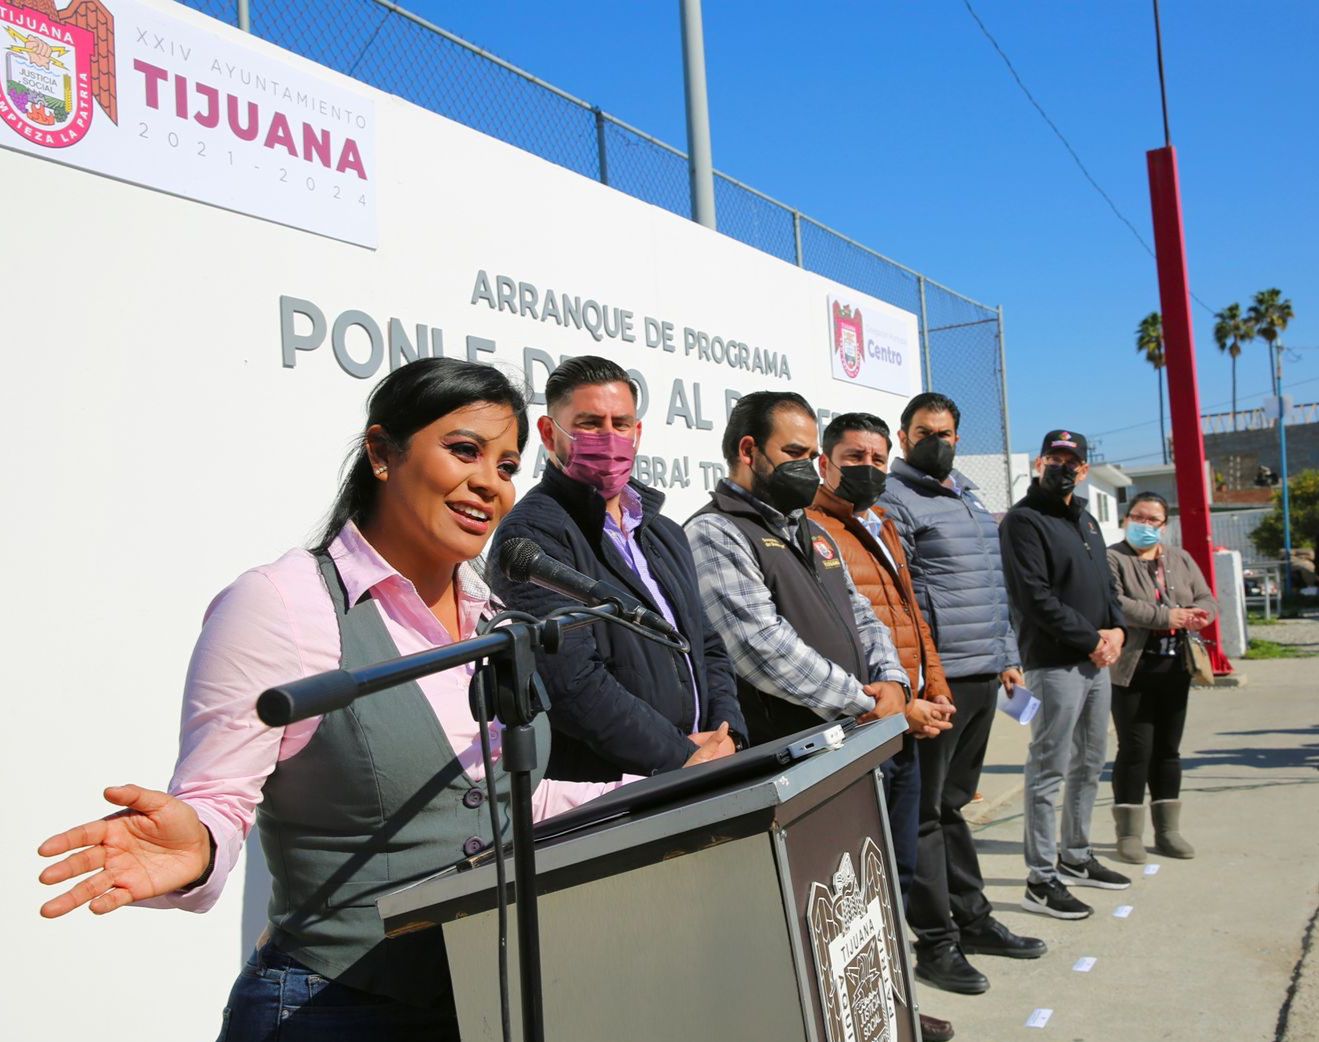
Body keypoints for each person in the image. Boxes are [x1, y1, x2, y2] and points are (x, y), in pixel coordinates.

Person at [35, 358, 732, 1041]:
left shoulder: (492, 615)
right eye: (464, 451)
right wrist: (197, 845)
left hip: (482, 1000)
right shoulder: (282, 603)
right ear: (380, 452)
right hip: (330, 1008)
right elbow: (218, 796)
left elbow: (498, 801)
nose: (487, 483)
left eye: (506, 466)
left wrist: (661, 788)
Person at [490, 355, 747, 781]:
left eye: (621, 424)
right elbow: (572, 682)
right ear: (549, 433)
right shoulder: (534, 533)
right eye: (590, 423)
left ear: (637, 432)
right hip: (617, 791)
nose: (609, 438)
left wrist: (729, 735)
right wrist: (680, 755)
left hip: (704, 769)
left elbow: (707, 645)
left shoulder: (664, 531)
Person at [880, 392, 1044, 996]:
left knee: (953, 806)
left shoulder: (969, 495)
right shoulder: (894, 498)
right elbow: (905, 599)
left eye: (946, 431)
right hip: (938, 681)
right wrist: (922, 676)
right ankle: (936, 942)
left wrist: (1007, 657)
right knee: (925, 813)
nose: (937, 441)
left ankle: (972, 920)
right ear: (904, 437)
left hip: (983, 676)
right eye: (925, 432)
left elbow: (992, 584)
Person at [804, 410, 959, 1042]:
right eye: (853, 458)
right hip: (868, 724)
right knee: (863, 880)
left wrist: (935, 686)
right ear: (824, 462)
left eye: (875, 458)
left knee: (898, 870)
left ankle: (897, 1002)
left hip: (911, 713)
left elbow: (909, 617)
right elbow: (846, 631)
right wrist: (900, 706)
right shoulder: (812, 528)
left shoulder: (882, 522)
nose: (867, 469)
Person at [999, 428, 1129, 921]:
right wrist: (1092, 639)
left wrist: (1116, 630)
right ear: (1039, 463)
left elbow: (1105, 587)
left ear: (1084, 469)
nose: (1062, 466)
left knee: (1091, 760)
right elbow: (1034, 598)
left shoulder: (1087, 521)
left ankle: (1076, 855)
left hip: (1097, 661)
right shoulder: (1024, 521)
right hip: (1056, 664)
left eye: (1071, 460)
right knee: (1049, 767)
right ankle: (1041, 876)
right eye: (1054, 457)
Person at [1107, 492, 1217, 862]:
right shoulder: (1112, 557)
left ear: (1164, 525)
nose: (1145, 525)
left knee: (1168, 750)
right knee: (1136, 749)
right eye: (1138, 517)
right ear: (1126, 519)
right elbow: (1116, 603)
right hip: (1133, 668)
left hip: (1175, 667)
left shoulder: (1180, 558)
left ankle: (1168, 830)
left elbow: (1206, 598)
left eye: (1153, 520)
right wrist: (1166, 617)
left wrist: (1198, 614)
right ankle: (1129, 834)